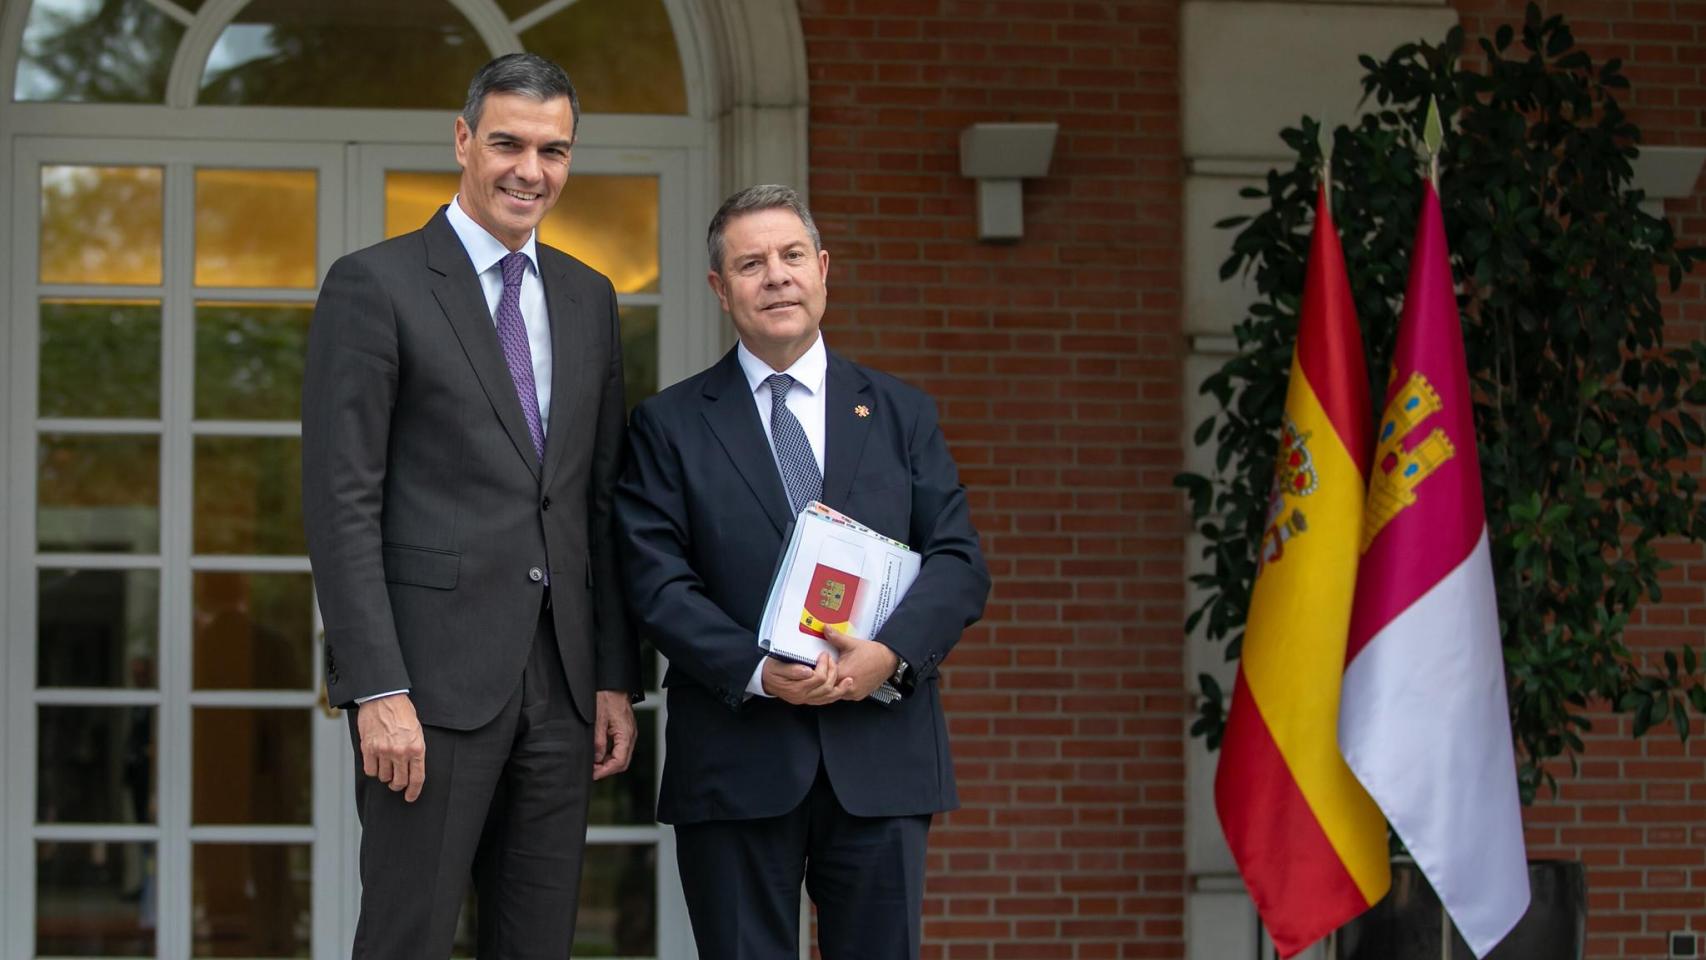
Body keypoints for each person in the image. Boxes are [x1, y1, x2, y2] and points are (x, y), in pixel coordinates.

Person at [301, 52, 640, 959]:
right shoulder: (376, 285)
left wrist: (613, 674)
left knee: (537, 943)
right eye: (508, 144)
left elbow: (595, 500)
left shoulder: (589, 297)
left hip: (562, 686)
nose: (531, 170)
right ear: (462, 141)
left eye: (554, 150)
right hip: (428, 686)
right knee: (409, 937)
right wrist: (376, 686)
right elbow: (341, 502)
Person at [616, 184, 990, 959]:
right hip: (735, 752)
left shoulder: (901, 412)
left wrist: (886, 654)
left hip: (880, 751)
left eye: (791, 257)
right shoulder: (668, 425)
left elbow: (957, 563)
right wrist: (757, 669)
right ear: (721, 290)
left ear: (823, 269)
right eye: (750, 264)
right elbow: (656, 582)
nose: (776, 276)